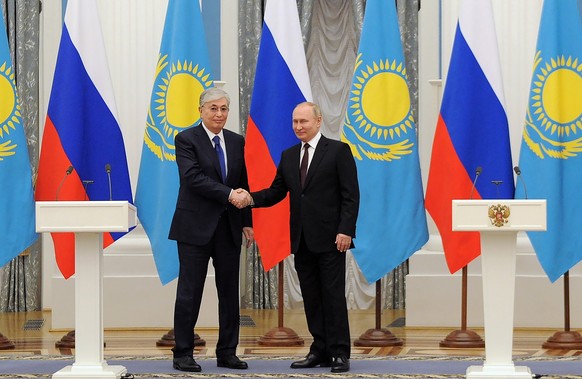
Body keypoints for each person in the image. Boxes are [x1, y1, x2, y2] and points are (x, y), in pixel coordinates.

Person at [246, 102, 359, 373]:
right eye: (295, 122)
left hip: (332, 239)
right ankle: (319, 349)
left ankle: (339, 352)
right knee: (311, 297)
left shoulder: (338, 151)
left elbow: (350, 196)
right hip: (301, 240)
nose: (298, 127)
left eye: (304, 122)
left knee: (332, 297)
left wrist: (346, 230)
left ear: (318, 121)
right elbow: (275, 192)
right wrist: (249, 198)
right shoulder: (288, 156)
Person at [168, 87, 254, 372]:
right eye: (213, 108)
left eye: (224, 109)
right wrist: (229, 195)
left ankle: (227, 353)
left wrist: (246, 222)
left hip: (228, 227)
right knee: (189, 292)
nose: (219, 114)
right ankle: (183, 353)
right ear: (201, 110)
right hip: (194, 227)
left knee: (229, 294)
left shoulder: (237, 141)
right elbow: (192, 178)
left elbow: (243, 182)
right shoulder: (186, 139)